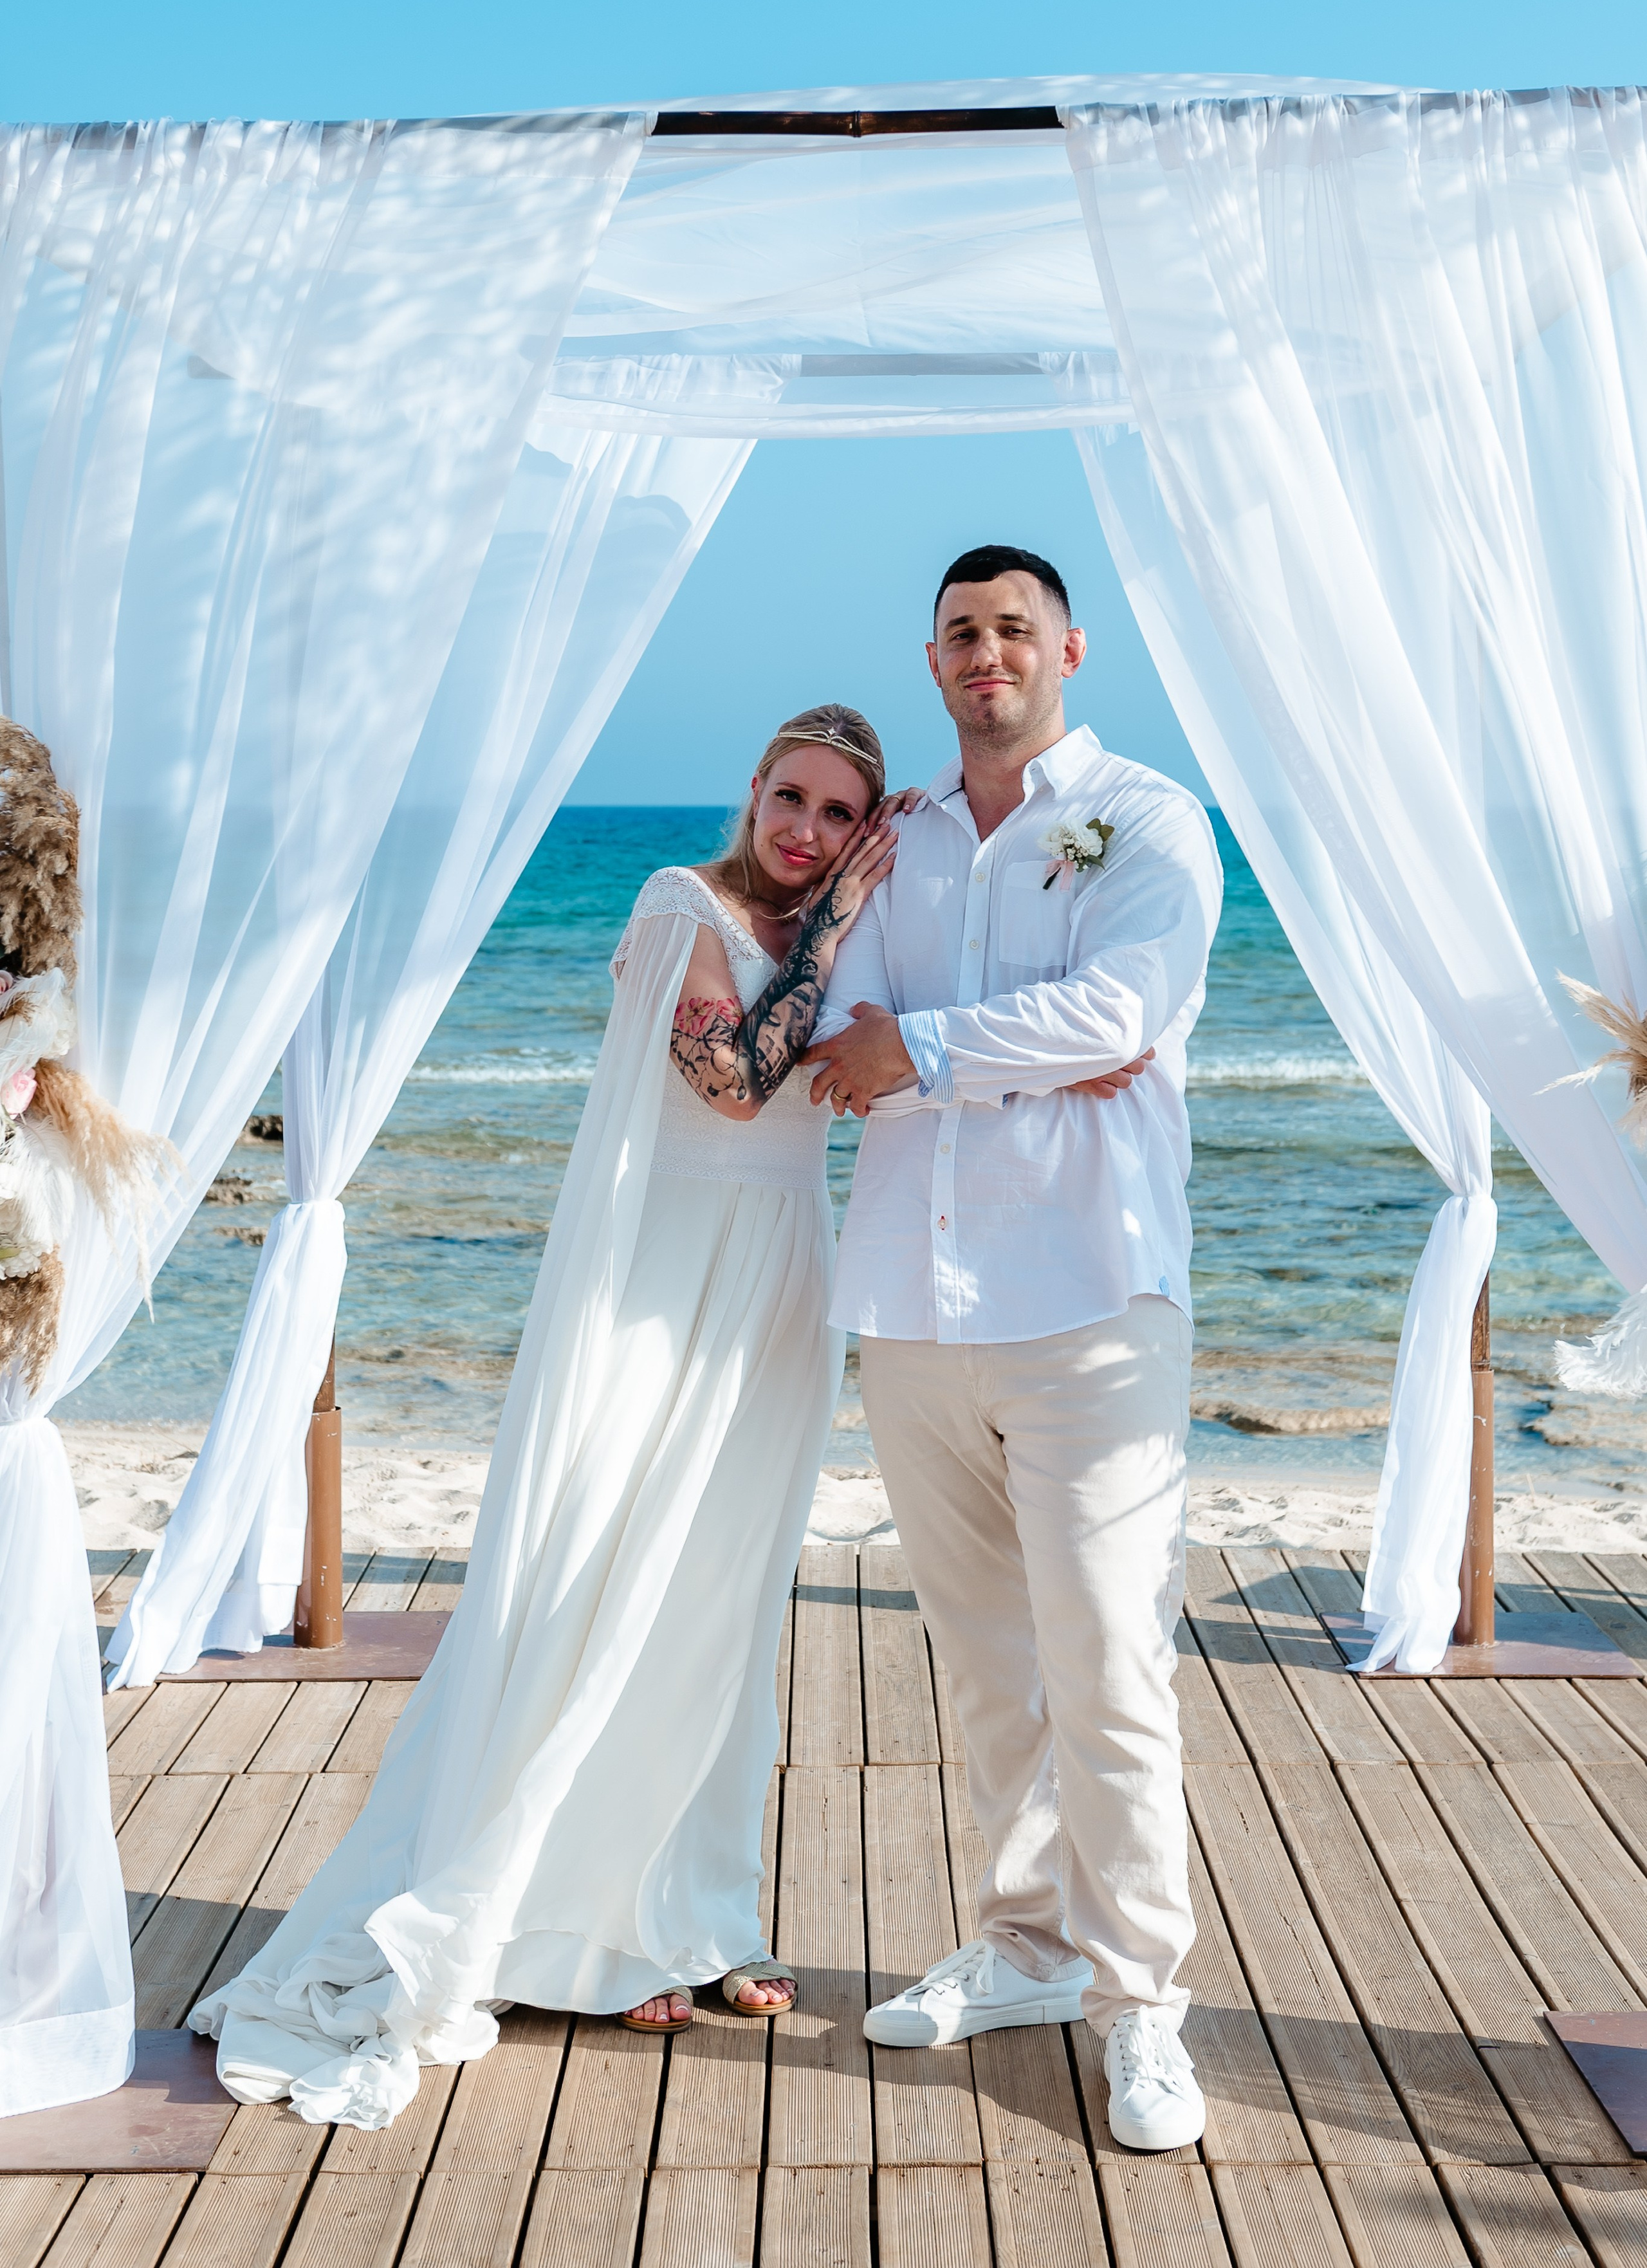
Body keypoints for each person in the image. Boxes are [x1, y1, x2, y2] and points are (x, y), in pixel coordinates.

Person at [192, 706, 905, 2119]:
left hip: (772, 1277)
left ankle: (688, 1912)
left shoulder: (834, 923)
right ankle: (570, 1933)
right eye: (790, 796)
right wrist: (833, 930)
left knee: (716, 1605)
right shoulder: (675, 902)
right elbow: (733, 1073)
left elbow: (858, 1074)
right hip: (655, 1286)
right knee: (607, 1582)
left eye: (836, 814)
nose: (805, 831)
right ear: (751, 788)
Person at [806, 546, 1222, 2154]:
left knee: (1111, 1664)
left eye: (1013, 629)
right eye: (960, 633)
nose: (987, 653)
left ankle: (1144, 2008)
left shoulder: (1148, 817)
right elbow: (829, 1015)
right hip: (910, 1303)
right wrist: (1000, 1054)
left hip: (1089, 1304)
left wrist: (922, 1049)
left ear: (1065, 648)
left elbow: (1118, 1008)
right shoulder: (898, 838)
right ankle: (1028, 1943)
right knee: (986, 1662)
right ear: (930, 661)